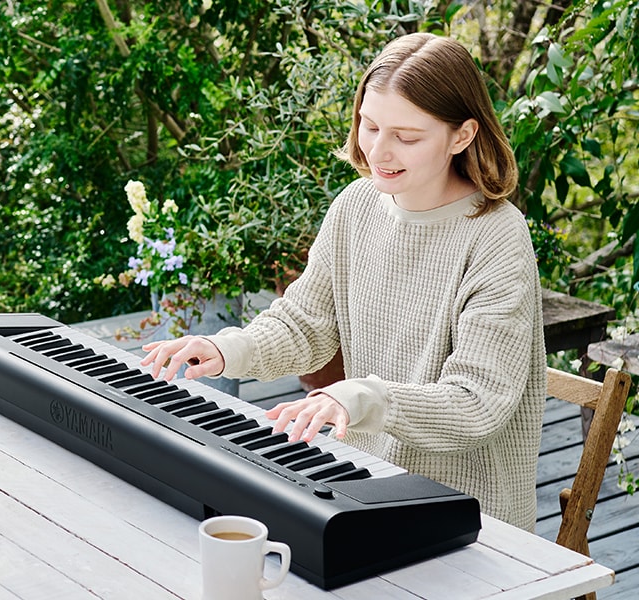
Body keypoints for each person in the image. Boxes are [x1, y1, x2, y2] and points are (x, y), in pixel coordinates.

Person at [140, 32, 546, 531]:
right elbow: (305, 325)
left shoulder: (497, 236)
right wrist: (228, 349)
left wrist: (359, 398)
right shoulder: (355, 207)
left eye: (407, 136)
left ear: (462, 136)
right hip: (363, 481)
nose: (379, 150)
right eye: (370, 125)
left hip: (470, 513)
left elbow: (477, 403)